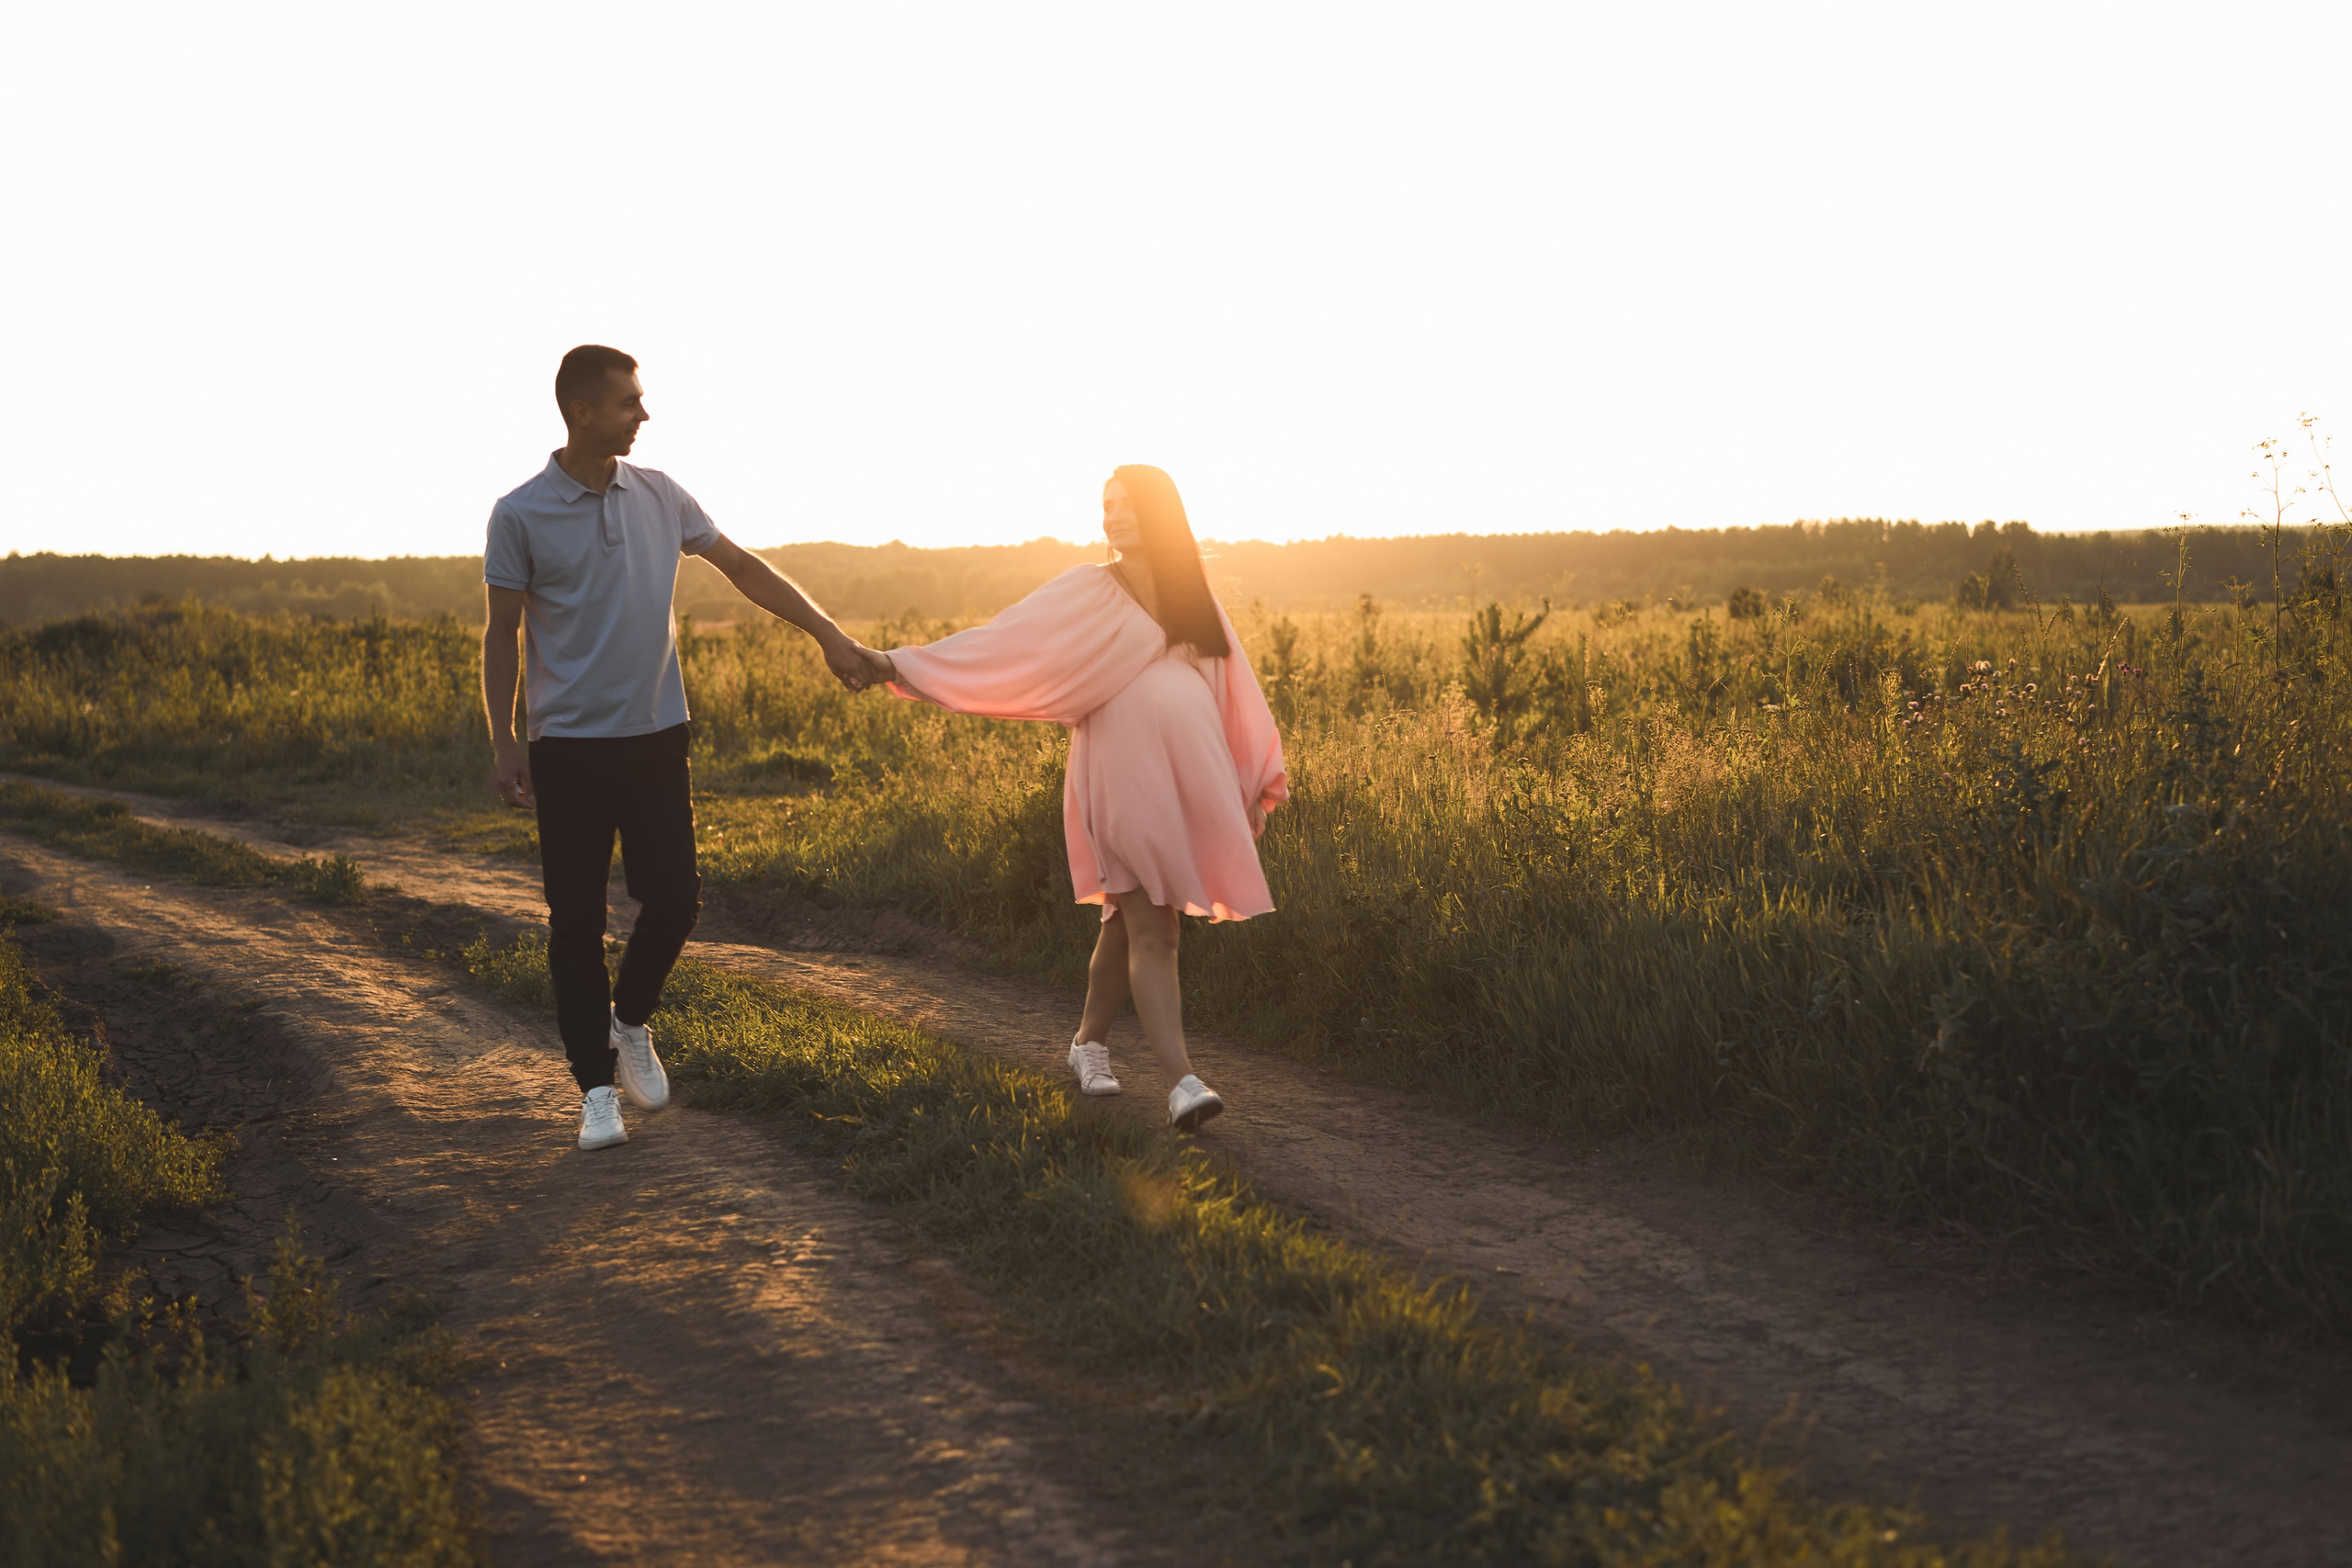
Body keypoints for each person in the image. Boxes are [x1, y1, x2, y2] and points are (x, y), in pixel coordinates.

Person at [481, 344, 873, 1151]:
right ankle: (596, 1091)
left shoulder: (661, 494)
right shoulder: (518, 513)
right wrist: (505, 741)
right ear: (582, 411)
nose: (644, 413)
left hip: (657, 736)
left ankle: (629, 1021)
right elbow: (501, 633)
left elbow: (743, 568)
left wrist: (827, 633)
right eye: (629, 401)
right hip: (569, 750)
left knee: (677, 898)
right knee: (575, 924)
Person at [851, 465, 1288, 1129]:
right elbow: (1004, 643)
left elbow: (1236, 692)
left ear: (1160, 513)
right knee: (1156, 927)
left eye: (1127, 505)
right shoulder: (1089, 588)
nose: (1113, 516)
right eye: (1106, 505)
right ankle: (1182, 1080)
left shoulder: (1191, 595)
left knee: (1127, 920)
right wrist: (900, 663)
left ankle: (1087, 1043)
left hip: (1188, 776)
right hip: (1121, 773)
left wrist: (1253, 780)